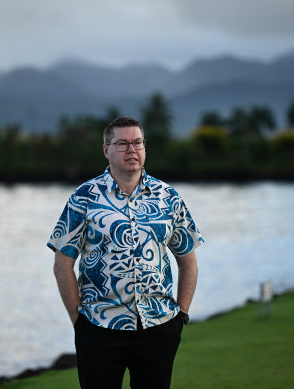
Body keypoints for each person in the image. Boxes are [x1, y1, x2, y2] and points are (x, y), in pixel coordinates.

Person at [47, 116, 204, 389]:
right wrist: (79, 322)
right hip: (99, 327)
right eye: (122, 144)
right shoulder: (84, 198)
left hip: (159, 326)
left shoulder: (168, 197)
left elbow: (187, 259)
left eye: (137, 142)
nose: (132, 150)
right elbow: (62, 263)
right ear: (106, 150)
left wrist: (181, 316)